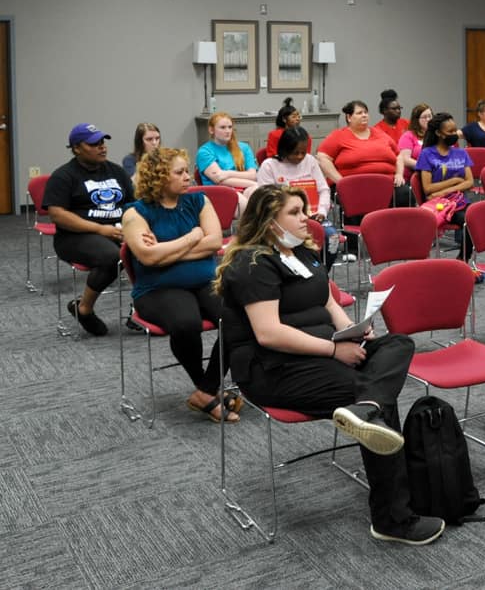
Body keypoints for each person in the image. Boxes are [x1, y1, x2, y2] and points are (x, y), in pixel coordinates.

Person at [214, 185, 444, 545]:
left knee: (398, 344)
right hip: (271, 367)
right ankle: (392, 519)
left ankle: (365, 409)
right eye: (294, 213)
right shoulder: (252, 264)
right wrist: (334, 350)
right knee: (370, 393)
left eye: (304, 211)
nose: (305, 219)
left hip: (321, 352)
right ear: (269, 221)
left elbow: (328, 303)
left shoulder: (302, 254)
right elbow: (269, 334)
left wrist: (354, 330)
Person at [121, 147, 233, 422]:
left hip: (205, 281)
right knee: (186, 324)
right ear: (159, 177)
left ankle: (206, 390)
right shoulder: (135, 214)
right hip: (157, 289)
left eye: (186, 171)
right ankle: (206, 389)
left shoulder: (199, 201)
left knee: (238, 318)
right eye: (179, 172)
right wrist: (192, 237)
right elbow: (148, 258)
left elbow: (214, 242)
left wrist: (165, 251)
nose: (188, 177)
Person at [43, 123, 136, 335]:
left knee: (152, 249)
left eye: (102, 142)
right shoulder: (64, 176)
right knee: (113, 257)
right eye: (94, 144)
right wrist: (100, 229)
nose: (102, 147)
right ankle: (84, 308)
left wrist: (133, 228)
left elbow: (133, 204)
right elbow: (57, 214)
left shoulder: (116, 171)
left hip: (117, 231)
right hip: (75, 236)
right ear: (76, 148)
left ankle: (142, 309)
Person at [258, 126, 339, 259]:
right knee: (296, 241)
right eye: (295, 153)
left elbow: (324, 189)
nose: (300, 156)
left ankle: (321, 269)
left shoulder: (310, 161)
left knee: (332, 237)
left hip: (313, 215)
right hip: (283, 218)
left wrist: (322, 212)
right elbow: (265, 199)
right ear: (285, 149)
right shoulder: (269, 166)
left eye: (303, 152)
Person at [317, 100, 411, 206]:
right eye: (359, 113)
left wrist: (399, 174)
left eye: (366, 112)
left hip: (387, 183)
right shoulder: (338, 136)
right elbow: (322, 157)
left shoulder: (380, 134)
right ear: (349, 117)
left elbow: (399, 156)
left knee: (405, 194)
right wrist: (341, 181)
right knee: (361, 199)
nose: (364, 115)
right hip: (353, 185)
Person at [415, 112, 475, 264]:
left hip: (459, 202)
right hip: (438, 205)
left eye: (455, 130)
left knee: (477, 216)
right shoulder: (427, 154)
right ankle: (461, 261)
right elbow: (428, 188)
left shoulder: (461, 153)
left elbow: (469, 182)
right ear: (438, 133)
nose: (454, 134)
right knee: (467, 220)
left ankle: (463, 259)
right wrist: (455, 181)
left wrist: (443, 190)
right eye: (450, 131)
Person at [197, 112, 259, 212]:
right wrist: (251, 183)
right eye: (223, 127)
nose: (228, 131)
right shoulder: (205, 151)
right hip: (219, 191)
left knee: (261, 198)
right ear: (211, 130)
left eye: (230, 127)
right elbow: (219, 179)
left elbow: (253, 175)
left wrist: (228, 173)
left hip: (244, 187)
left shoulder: (244, 147)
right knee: (245, 205)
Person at [395, 103, 430, 184]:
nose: (428, 119)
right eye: (424, 117)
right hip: (412, 178)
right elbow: (405, 159)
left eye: (430, 116)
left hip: (432, 176)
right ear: (416, 119)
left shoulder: (436, 135)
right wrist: (426, 167)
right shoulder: (408, 135)